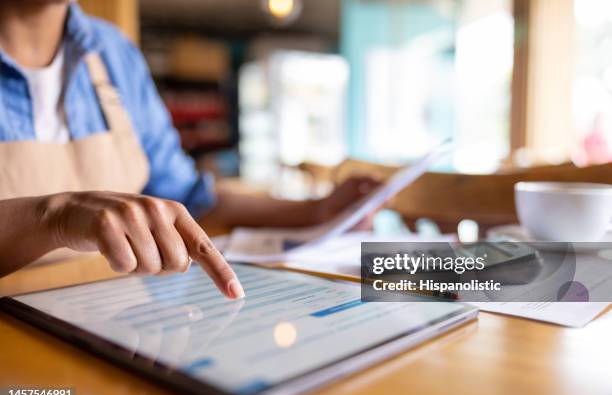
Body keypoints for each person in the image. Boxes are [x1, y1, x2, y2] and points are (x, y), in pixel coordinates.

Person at [0, 1, 378, 299]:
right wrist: (55, 218)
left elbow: (187, 199)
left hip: (111, 326)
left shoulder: (114, 54)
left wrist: (319, 210)